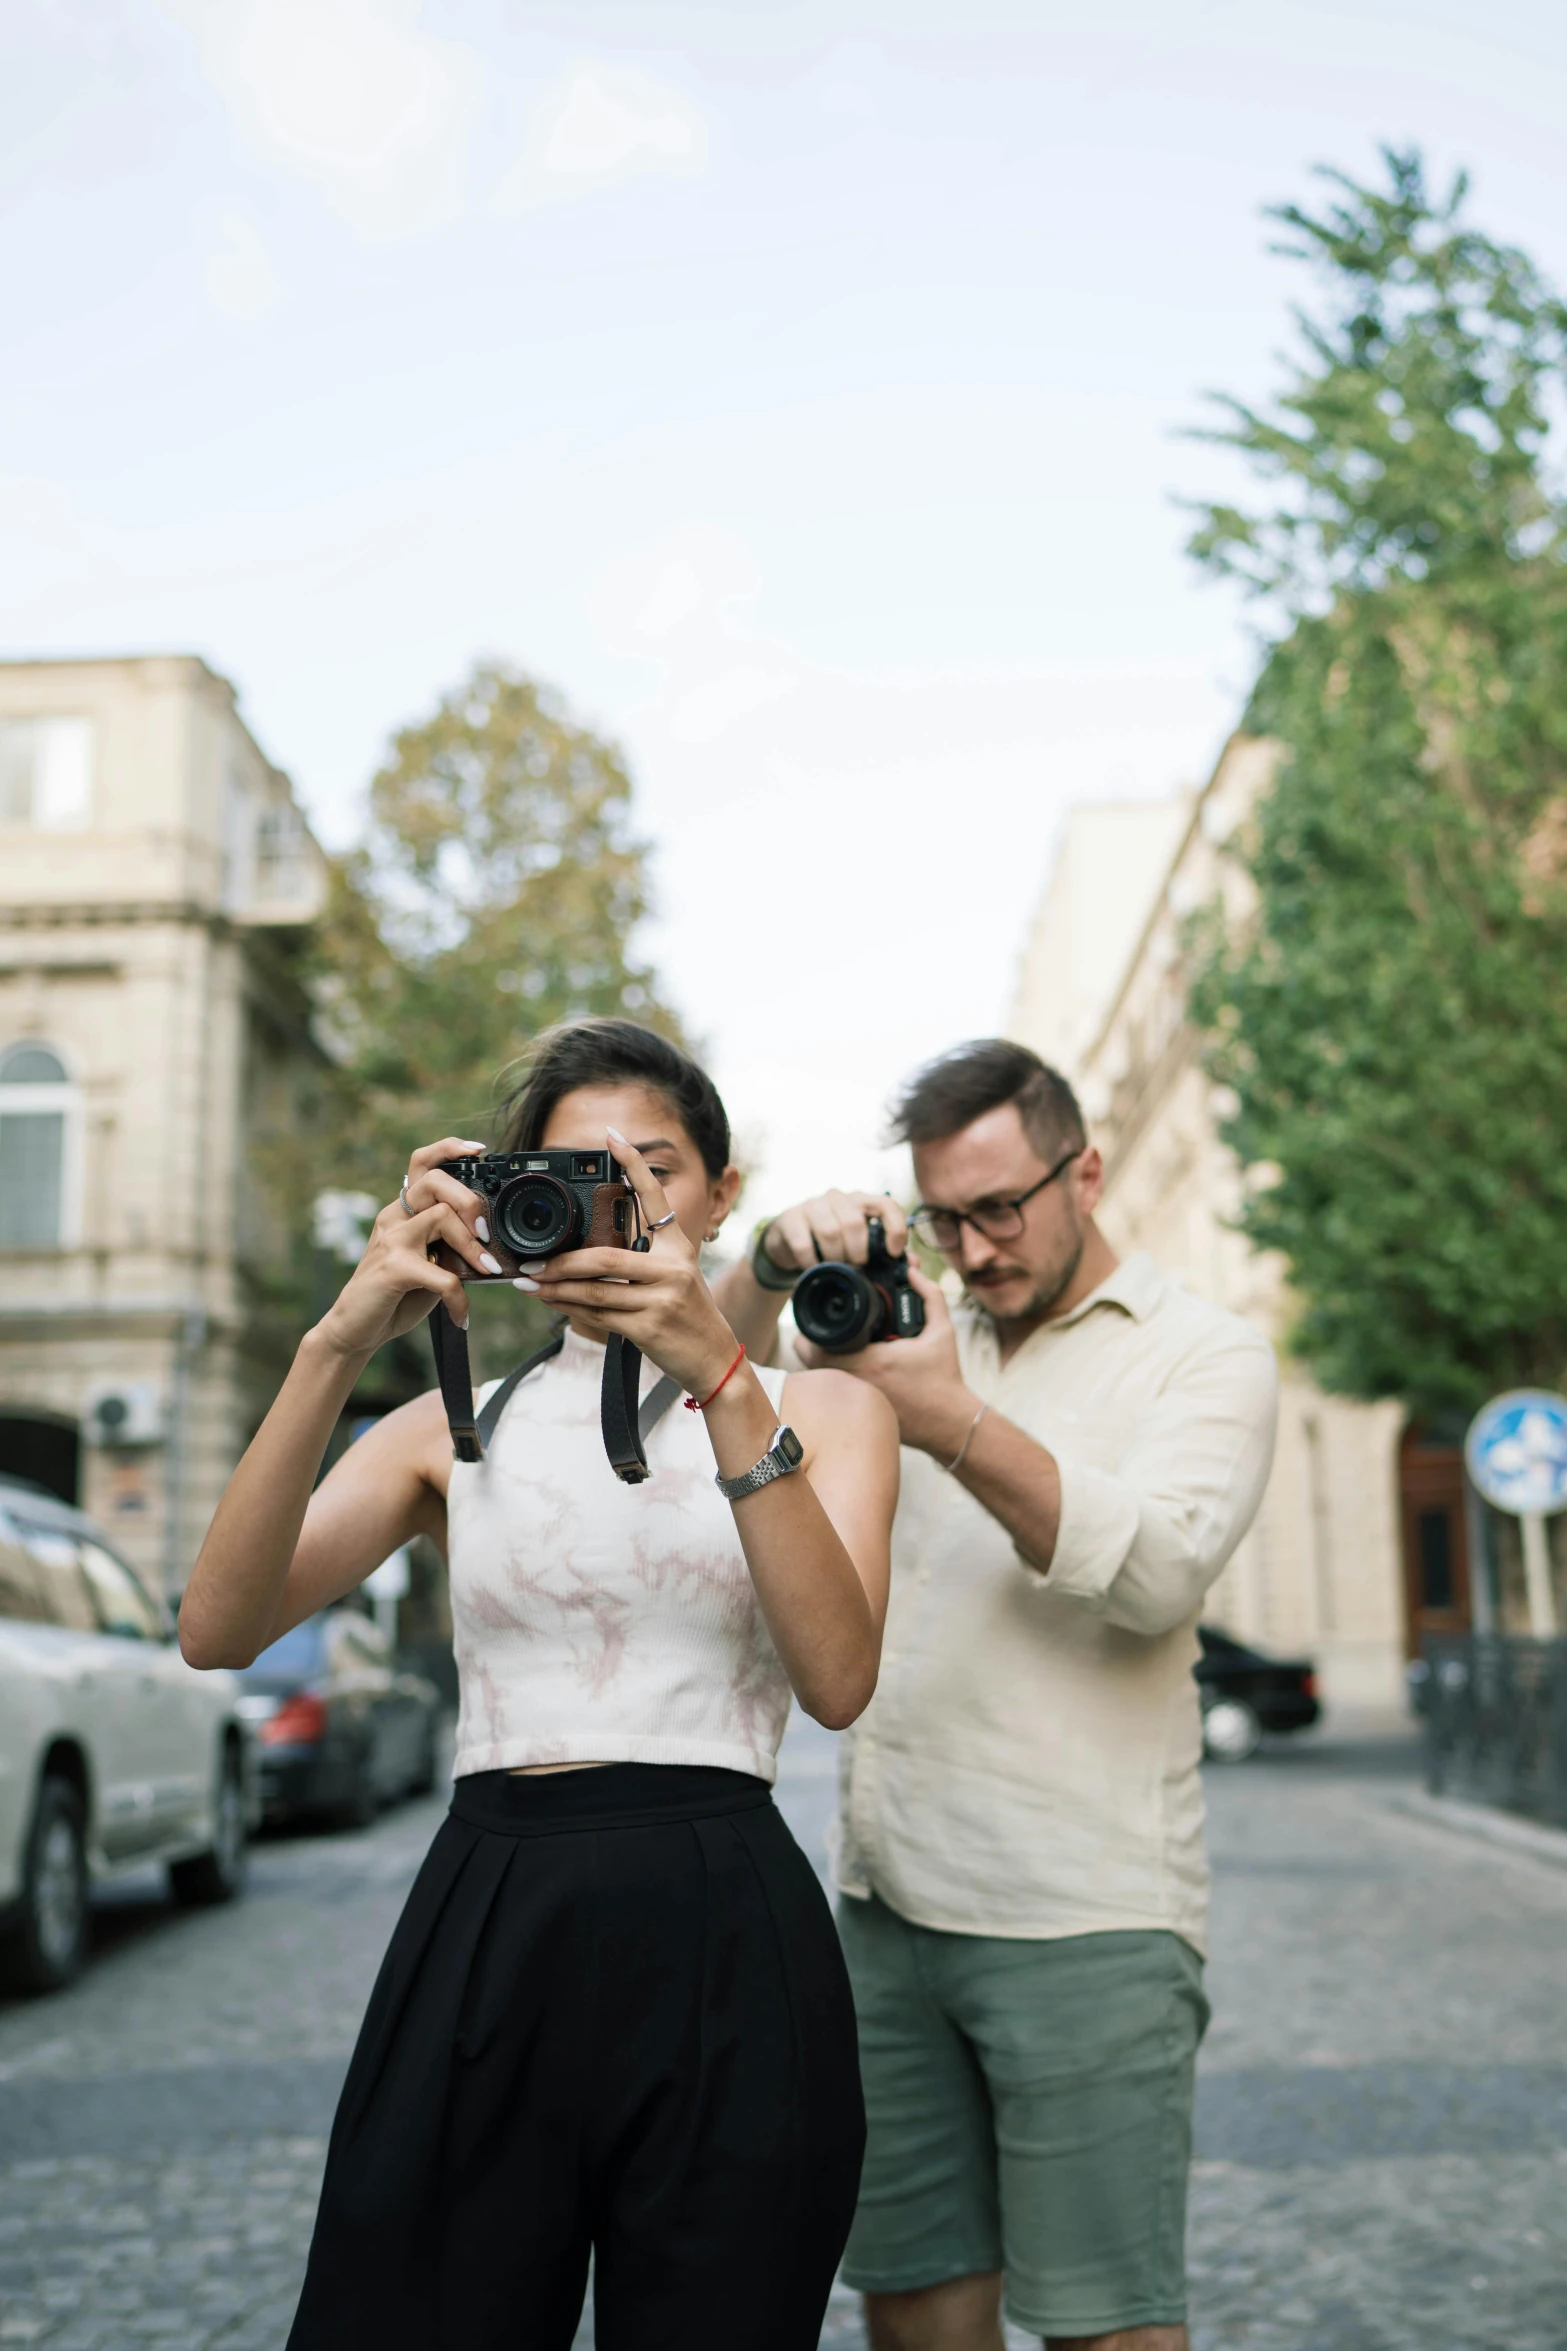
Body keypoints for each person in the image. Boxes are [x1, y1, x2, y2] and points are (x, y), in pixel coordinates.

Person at [178, 1017, 900, 2351]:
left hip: (724, 1920)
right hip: (490, 1907)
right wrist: (343, 1334)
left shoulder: (831, 1411)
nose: (617, 1199)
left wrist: (722, 1374)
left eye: (655, 1168)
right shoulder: (447, 1426)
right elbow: (217, 1627)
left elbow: (838, 1678)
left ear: (718, 1194)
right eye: (576, 1171)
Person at [714, 1038, 1279, 2351]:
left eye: (999, 1208)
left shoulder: (1205, 1354)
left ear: (1083, 1171)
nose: (971, 1249)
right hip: (889, 1903)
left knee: (1104, 2326)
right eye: (941, 1217)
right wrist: (766, 1265)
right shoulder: (901, 1326)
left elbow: (1154, 1569)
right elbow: (701, 1394)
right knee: (911, 2308)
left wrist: (948, 1419)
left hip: (1087, 1913)